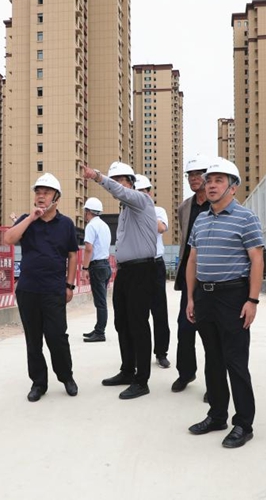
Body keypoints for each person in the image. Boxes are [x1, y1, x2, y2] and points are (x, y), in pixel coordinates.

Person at [185, 157, 264, 449]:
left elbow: (257, 259)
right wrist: (191, 298)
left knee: (235, 361)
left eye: (219, 180)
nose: (211, 185)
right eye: (209, 180)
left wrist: (252, 300)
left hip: (233, 296)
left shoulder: (246, 218)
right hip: (204, 297)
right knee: (213, 359)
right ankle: (217, 415)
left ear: (233, 187)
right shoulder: (201, 219)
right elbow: (192, 260)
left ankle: (243, 423)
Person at [83, 161, 158, 400]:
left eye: (120, 181)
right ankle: (127, 370)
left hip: (141, 270)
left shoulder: (141, 200)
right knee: (122, 323)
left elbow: (121, 192)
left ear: (131, 183)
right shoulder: (125, 210)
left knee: (138, 324)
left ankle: (142, 380)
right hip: (124, 272)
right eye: (114, 180)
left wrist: (98, 176)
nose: (117, 185)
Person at [4, 173, 79, 403]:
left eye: (46, 192)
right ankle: (38, 383)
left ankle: (66, 376)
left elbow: (72, 255)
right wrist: (31, 218)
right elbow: (9, 239)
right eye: (38, 192)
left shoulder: (66, 224)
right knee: (33, 339)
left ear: (56, 197)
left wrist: (69, 285)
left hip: (54, 290)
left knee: (57, 336)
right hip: (28, 290)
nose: (40, 196)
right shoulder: (27, 220)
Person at [172, 155, 211, 395]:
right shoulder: (184, 207)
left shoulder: (219, 203)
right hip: (190, 276)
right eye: (190, 175)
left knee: (210, 332)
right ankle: (186, 373)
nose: (194, 178)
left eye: (199, 174)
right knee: (185, 327)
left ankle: (214, 383)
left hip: (212, 276)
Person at [135, 174, 171, 368]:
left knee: (159, 311)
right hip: (136, 266)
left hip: (155, 264)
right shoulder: (129, 212)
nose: (141, 196)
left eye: (144, 192)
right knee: (138, 313)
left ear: (150, 193)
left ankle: (161, 352)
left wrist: (145, 210)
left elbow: (161, 228)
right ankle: (139, 353)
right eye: (137, 193)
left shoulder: (158, 211)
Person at [82, 197, 113, 343]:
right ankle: (98, 328)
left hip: (97, 266)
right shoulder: (104, 226)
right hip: (105, 265)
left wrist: (85, 268)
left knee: (100, 302)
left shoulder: (91, 226)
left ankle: (100, 332)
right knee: (101, 300)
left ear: (88, 211)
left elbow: (89, 248)